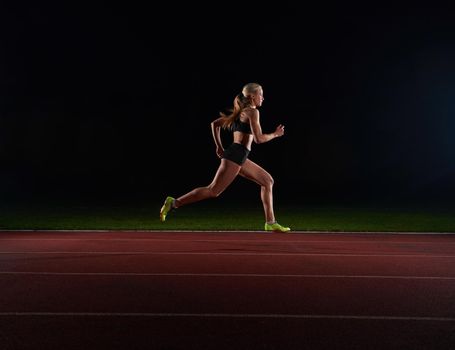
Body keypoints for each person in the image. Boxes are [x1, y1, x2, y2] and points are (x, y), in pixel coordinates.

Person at [160, 82, 290, 232]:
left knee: (267, 181)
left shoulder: (241, 112)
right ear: (252, 96)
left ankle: (270, 222)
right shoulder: (252, 112)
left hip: (239, 155)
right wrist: (275, 134)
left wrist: (219, 147)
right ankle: (174, 203)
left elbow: (215, 124)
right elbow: (258, 139)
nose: (263, 98)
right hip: (235, 156)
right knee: (213, 191)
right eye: (261, 94)